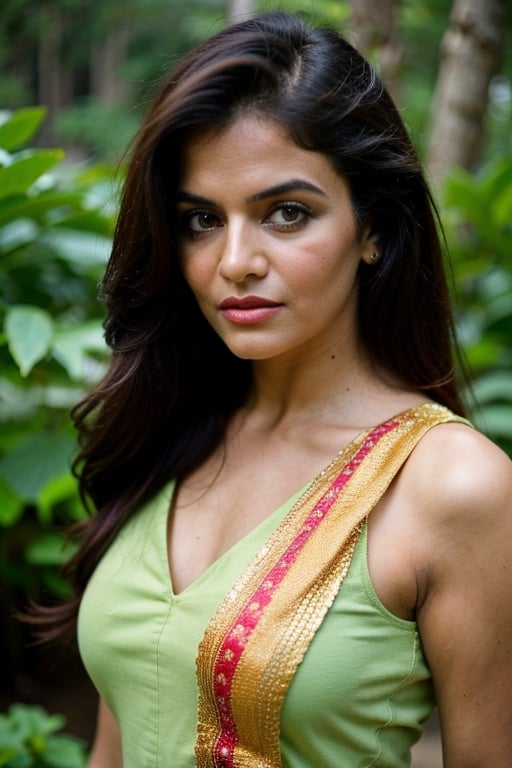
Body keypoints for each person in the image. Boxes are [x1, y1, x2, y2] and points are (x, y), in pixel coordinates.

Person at [39, 10, 512, 768]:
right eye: (199, 220)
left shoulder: (452, 487)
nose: (235, 261)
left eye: (285, 214)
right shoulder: (169, 429)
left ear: (373, 230)